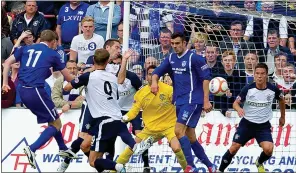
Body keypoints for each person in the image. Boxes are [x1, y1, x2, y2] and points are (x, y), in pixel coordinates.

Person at [63, 49, 151, 172]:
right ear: (107, 62)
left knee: (93, 161)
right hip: (117, 118)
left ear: (93, 60)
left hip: (103, 121)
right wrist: (124, 60)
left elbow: (67, 88)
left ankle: (117, 166)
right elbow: (121, 79)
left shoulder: (88, 76)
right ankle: (136, 146)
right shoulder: (112, 77)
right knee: (122, 138)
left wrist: (78, 78)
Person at [1, 30, 78, 169]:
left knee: (53, 120)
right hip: (35, 90)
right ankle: (32, 148)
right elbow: (68, 78)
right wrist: (83, 80)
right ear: (53, 41)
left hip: (22, 90)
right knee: (56, 124)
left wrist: (5, 82)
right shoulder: (53, 54)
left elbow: (6, 62)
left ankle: (63, 148)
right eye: (56, 42)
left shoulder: (26, 49)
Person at [151, 32, 217, 172]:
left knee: (178, 131)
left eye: (177, 43)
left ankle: (190, 166)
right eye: (172, 43)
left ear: (185, 43)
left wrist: (206, 100)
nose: (174, 46)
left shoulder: (195, 58)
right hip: (179, 101)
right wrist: (154, 82)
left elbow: (206, 79)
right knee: (190, 136)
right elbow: (157, 71)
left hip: (193, 100)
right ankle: (211, 166)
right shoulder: (171, 58)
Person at [117, 65, 187, 172]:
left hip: (169, 127)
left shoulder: (168, 89)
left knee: (176, 147)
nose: (153, 76)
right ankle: (115, 168)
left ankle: (188, 169)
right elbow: (134, 111)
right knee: (132, 146)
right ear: (146, 76)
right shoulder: (140, 94)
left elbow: (178, 102)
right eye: (150, 74)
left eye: (155, 74)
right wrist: (124, 118)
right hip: (150, 129)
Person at [218, 63, 286, 172]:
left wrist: (282, 117)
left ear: (266, 75)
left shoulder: (273, 89)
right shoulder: (248, 89)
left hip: (263, 126)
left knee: (269, 150)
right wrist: (239, 109)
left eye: (262, 73)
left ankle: (259, 162)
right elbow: (235, 103)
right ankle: (220, 170)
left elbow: (282, 100)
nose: (259, 76)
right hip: (247, 124)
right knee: (234, 147)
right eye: (257, 73)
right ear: (254, 75)